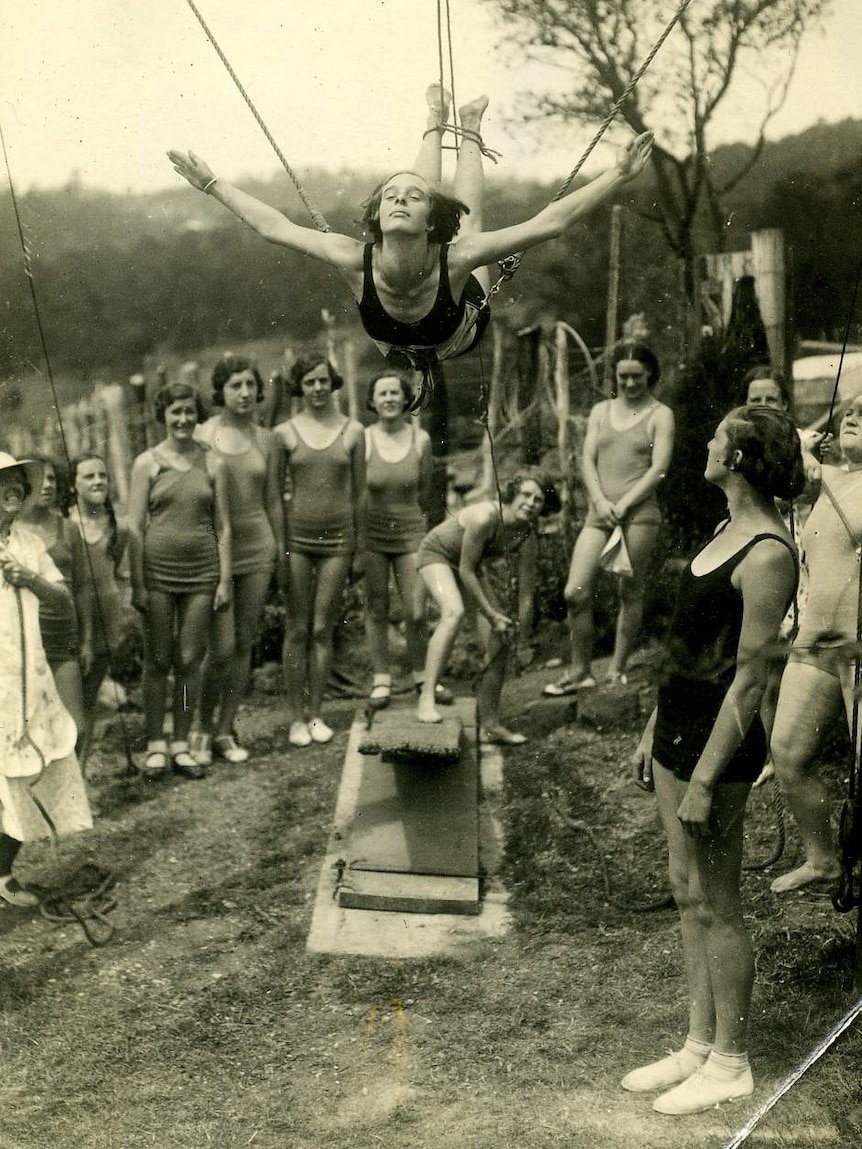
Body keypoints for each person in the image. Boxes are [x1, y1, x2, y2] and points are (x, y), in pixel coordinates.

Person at [167, 86, 652, 402]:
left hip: (457, 320)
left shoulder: (456, 255)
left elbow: (550, 222)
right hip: (427, 339)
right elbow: (274, 226)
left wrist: (618, 174)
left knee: (472, 226)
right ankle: (434, 120)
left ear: (427, 218)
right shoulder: (352, 258)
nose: (400, 200)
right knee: (454, 218)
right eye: (391, 196)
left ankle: (467, 125)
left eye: (413, 198)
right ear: (377, 214)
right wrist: (211, 185)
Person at [627, 405, 803, 1115]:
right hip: (675, 731)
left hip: (717, 753)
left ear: (738, 457)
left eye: (716, 435)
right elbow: (686, 647)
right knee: (685, 888)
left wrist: (703, 779)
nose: (705, 441)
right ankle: (698, 1042)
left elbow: (750, 680)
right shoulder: (723, 528)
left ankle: (732, 1059)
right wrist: (651, 727)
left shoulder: (766, 552)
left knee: (721, 902)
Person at [769, 392, 862, 892]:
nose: (852, 416)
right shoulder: (834, 479)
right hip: (816, 644)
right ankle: (822, 859)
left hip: (858, 650)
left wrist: (812, 461)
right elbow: (787, 471)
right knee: (787, 750)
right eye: (850, 411)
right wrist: (804, 449)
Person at [544, 343, 674, 695]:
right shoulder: (601, 410)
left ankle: (616, 668)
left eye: (637, 376)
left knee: (629, 591)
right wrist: (599, 501)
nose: (630, 383)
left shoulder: (660, 415)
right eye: (623, 377)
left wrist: (626, 503)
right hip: (599, 512)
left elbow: (659, 468)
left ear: (650, 374)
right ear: (615, 377)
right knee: (575, 592)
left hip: (639, 515)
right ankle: (580, 670)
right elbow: (586, 459)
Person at [0, 452, 92, 907]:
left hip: (28, 677)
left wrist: (29, 579)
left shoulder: (30, 542)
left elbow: (62, 597)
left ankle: (3, 873)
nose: (12, 489)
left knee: (31, 769)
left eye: (18, 482)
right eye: (3, 483)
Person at [127, 381, 232, 780]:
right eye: (176, 412)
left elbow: (223, 527)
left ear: (197, 414)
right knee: (158, 659)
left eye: (189, 411)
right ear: (164, 416)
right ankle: (156, 744)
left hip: (202, 572)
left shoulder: (214, 462)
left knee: (190, 660)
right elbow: (135, 528)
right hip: (157, 573)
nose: (184, 419)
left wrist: (223, 580)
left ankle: (182, 742)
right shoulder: (147, 463)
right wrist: (137, 583)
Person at [415, 469, 558, 735]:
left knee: (499, 638)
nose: (530, 503)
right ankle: (426, 697)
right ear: (513, 494)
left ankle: (490, 724)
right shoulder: (486, 517)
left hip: (469, 566)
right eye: (525, 495)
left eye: (538, 500)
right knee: (453, 613)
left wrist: (522, 638)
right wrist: (491, 612)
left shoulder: (527, 537)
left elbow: (527, 594)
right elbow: (466, 570)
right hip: (438, 554)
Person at [192, 357, 284, 766]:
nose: (245, 393)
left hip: (258, 545)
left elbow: (273, 502)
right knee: (220, 647)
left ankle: (225, 730)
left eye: (250, 384)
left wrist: (279, 553)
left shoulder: (268, 439)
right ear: (220, 392)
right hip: (217, 551)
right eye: (235, 386)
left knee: (244, 643)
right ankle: (197, 726)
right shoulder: (201, 435)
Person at [274, 353, 365, 747]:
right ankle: (295, 718)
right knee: (296, 628)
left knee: (322, 628)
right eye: (309, 382)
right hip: (297, 540)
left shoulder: (354, 431)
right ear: (299, 387)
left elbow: (360, 496)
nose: (317, 388)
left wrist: (359, 546)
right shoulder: (285, 433)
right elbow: (275, 497)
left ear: (333, 383)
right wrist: (280, 547)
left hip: (339, 541)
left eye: (323, 381)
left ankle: (316, 716)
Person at [362, 370, 452, 708]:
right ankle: (381, 681)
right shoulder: (364, 439)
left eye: (394, 393)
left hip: (411, 532)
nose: (388, 399)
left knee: (415, 610)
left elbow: (426, 489)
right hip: (372, 534)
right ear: (372, 401)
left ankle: (423, 677)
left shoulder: (421, 439)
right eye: (382, 393)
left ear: (405, 398)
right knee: (376, 607)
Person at [19, 455, 87, 756]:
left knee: (76, 726)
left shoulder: (68, 529)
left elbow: (84, 589)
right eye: (39, 478)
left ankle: (78, 794)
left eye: (51, 478)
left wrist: (87, 640)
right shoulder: (11, 530)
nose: (46, 485)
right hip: (23, 639)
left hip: (62, 635)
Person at [66, 453, 130, 772]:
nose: (97, 481)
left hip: (106, 617)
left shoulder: (119, 526)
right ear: (74, 484)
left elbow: (113, 569)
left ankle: (77, 774)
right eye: (88, 476)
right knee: (66, 701)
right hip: (72, 620)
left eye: (102, 475)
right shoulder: (65, 524)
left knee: (87, 701)